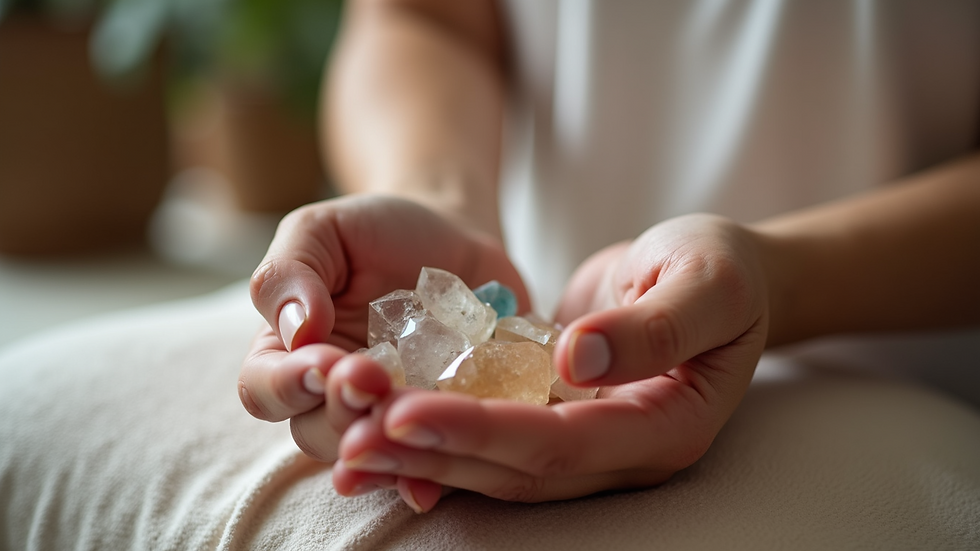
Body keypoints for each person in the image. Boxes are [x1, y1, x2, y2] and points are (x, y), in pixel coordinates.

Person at [239, 0, 980, 515]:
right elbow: (421, 16)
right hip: (550, 294)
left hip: (909, 374)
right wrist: (437, 198)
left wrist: (783, 280)